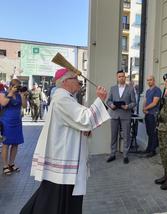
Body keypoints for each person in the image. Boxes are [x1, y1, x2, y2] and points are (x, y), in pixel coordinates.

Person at [20, 68, 110, 214]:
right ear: (66, 82)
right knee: (53, 202)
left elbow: (76, 123)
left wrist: (84, 128)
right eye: (76, 80)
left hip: (65, 155)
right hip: (63, 157)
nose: (79, 83)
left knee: (55, 199)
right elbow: (84, 119)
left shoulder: (66, 97)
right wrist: (100, 100)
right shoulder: (62, 98)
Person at [106, 70, 136, 164]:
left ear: (125, 77)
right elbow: (108, 101)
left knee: (126, 136)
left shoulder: (130, 89)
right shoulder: (113, 88)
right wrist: (111, 105)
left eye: (123, 76)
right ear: (117, 77)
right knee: (113, 136)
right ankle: (112, 154)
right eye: (119, 76)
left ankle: (125, 155)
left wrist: (128, 106)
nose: (121, 78)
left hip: (126, 115)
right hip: (114, 114)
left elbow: (134, 102)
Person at [0, 79, 28, 175]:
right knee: (6, 143)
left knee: (15, 143)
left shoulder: (19, 94)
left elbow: (24, 106)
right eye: (16, 86)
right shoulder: (3, 93)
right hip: (6, 122)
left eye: (19, 86)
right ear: (11, 86)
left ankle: (11, 164)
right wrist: (11, 92)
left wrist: (23, 96)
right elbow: (3, 103)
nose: (18, 88)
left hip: (17, 121)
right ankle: (5, 165)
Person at [142, 75, 162, 158]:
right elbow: (146, 100)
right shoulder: (147, 91)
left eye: (150, 80)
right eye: (147, 80)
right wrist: (143, 109)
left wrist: (146, 108)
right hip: (147, 114)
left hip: (153, 114)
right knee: (149, 132)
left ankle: (153, 150)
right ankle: (148, 148)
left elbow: (154, 103)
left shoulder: (157, 90)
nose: (149, 81)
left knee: (153, 133)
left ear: (154, 81)